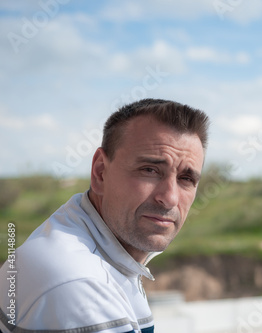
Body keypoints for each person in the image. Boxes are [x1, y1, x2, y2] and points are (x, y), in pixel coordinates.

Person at [0, 99, 210, 333]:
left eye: (186, 179)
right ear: (100, 172)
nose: (170, 198)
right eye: (149, 170)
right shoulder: (79, 282)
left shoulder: (99, 245)